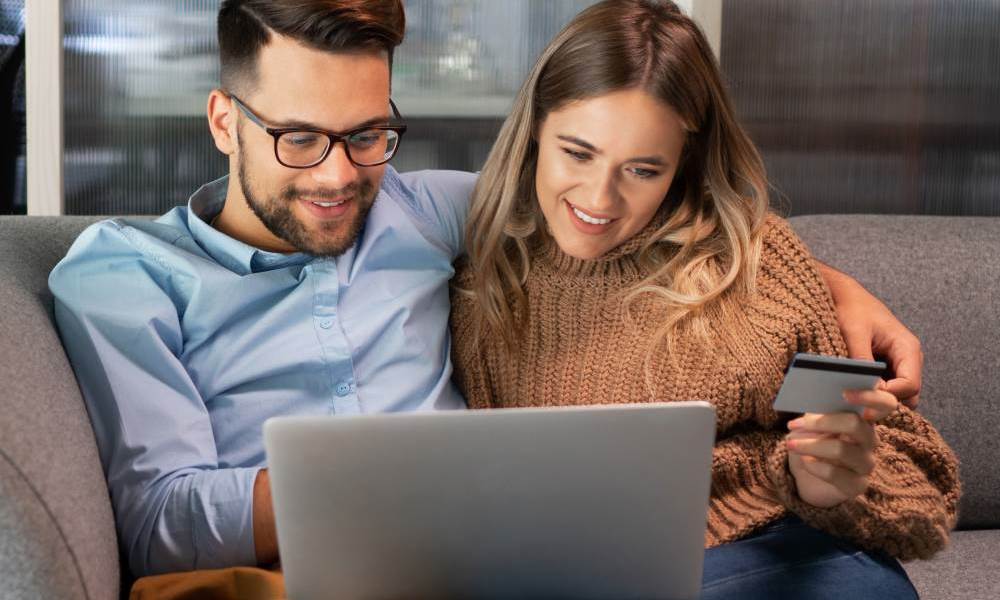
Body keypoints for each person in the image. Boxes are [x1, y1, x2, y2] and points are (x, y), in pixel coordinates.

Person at [49, 0, 928, 588]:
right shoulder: (125, 274)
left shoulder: (421, 210)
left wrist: (832, 286)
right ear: (222, 121)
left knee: (854, 583)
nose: (337, 177)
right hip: (318, 574)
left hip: (506, 562)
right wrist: (388, 488)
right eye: (300, 139)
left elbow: (617, 207)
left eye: (368, 136)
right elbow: (158, 521)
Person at [448, 1, 959, 598]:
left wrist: (830, 479)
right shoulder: (485, 288)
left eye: (641, 170)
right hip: (602, 569)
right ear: (536, 127)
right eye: (578, 152)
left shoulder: (755, 267)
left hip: (780, 550)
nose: (599, 197)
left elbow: (906, 462)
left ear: (682, 162)